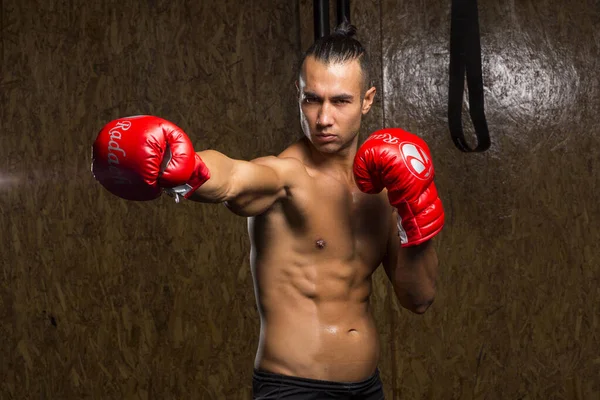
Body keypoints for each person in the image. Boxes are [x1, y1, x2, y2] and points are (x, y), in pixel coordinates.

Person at [92, 21, 444, 400]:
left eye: (340, 101)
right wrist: (185, 166)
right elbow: (234, 179)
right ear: (298, 94)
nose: (324, 118)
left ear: (367, 100)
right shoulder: (287, 175)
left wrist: (415, 215)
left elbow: (419, 299)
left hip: (367, 388)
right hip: (293, 390)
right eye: (312, 99)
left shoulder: (386, 189)